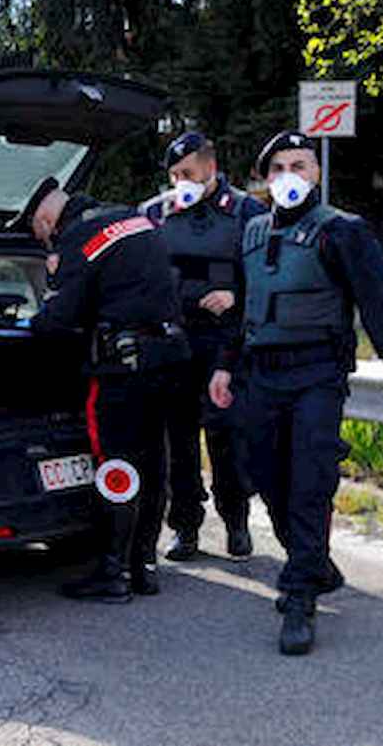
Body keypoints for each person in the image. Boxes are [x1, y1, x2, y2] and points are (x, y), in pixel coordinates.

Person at [208, 130, 383, 655]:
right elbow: (243, 308)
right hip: (260, 374)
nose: (289, 176)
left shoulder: (342, 231)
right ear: (265, 178)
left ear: (317, 173)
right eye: (277, 167)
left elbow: (378, 301)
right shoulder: (252, 231)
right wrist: (222, 367)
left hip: (318, 377)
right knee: (264, 474)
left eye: (299, 165)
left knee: (309, 480)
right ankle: (315, 564)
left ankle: (299, 592)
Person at [9, 177, 190, 602]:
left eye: (39, 232)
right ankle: (144, 566)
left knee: (117, 466)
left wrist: (28, 318)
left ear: (47, 218)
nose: (44, 240)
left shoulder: (79, 238)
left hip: (122, 370)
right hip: (169, 360)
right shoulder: (134, 218)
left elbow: (57, 319)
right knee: (154, 463)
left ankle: (113, 572)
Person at [154, 132, 267, 563]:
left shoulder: (247, 213)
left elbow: (268, 274)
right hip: (177, 340)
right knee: (177, 441)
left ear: (211, 170)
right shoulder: (157, 213)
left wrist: (238, 296)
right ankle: (185, 527)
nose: (180, 181)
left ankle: (236, 522)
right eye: (174, 175)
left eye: (188, 173)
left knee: (227, 436)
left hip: (226, 342)